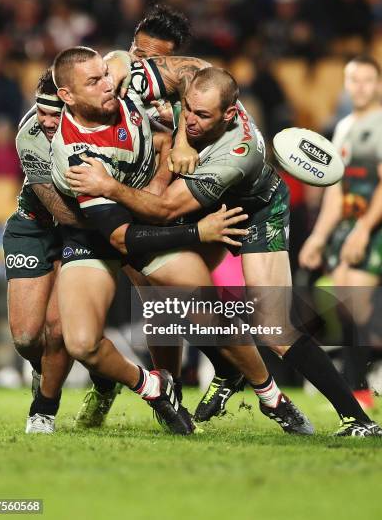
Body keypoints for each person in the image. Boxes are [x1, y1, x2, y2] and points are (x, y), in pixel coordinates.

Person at [67, 57, 382, 437]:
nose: (192, 121)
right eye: (190, 113)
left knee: (274, 327)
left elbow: (167, 209)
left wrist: (109, 187)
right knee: (168, 297)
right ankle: (224, 374)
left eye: (202, 116)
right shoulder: (199, 88)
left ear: (230, 114)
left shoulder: (237, 153)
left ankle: (358, 420)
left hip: (256, 212)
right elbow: (119, 62)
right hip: (213, 209)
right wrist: (182, 135)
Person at [50, 45, 252, 436]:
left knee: (203, 300)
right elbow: (123, 240)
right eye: (94, 81)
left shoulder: (124, 88)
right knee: (81, 344)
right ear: (67, 97)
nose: (108, 85)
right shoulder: (76, 155)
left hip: (143, 216)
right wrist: (198, 231)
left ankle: (262, 388)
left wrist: (179, 140)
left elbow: (199, 74)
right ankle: (153, 385)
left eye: (105, 73)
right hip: (100, 236)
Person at [299, 55, 382, 410]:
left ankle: (359, 387)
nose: (360, 87)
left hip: (372, 225)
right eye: (354, 80)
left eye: (367, 80)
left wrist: (363, 230)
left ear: (378, 84)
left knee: (356, 298)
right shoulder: (344, 126)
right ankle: (362, 382)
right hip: (348, 226)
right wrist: (319, 236)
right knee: (348, 304)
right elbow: (335, 188)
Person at [3, 69, 79, 434]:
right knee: (26, 338)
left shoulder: (95, 129)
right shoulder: (29, 134)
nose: (46, 121)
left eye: (55, 113)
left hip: (76, 237)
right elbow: (60, 210)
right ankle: (48, 369)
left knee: (59, 329)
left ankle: (44, 409)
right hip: (35, 224)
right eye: (41, 110)